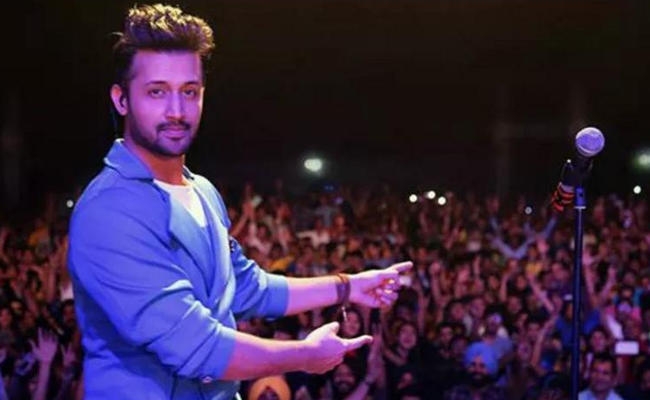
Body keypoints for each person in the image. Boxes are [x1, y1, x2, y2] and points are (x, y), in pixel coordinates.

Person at [66, 4, 412, 400]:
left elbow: (249, 287)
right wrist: (304, 356)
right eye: (157, 91)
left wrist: (349, 287)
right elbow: (196, 348)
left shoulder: (202, 191)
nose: (176, 111)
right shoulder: (109, 210)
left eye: (189, 92)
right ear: (121, 99)